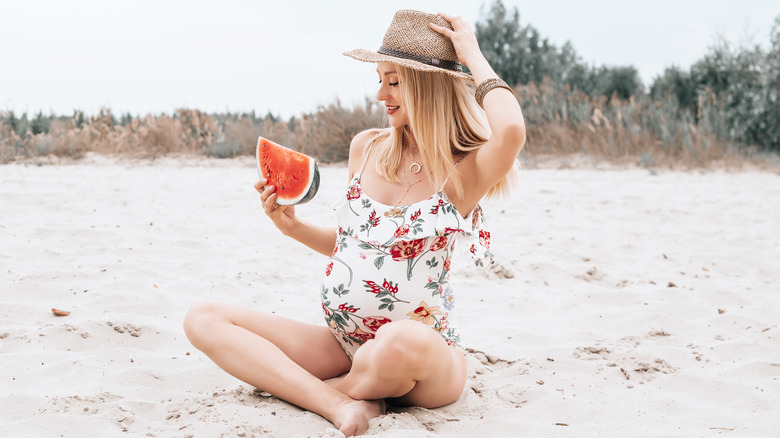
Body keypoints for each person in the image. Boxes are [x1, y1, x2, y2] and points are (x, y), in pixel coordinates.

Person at [183, 9, 525, 437]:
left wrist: (470, 54)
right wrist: (292, 227)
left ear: (429, 86)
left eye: (394, 81)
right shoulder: (366, 148)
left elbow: (510, 130)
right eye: (379, 79)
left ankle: (319, 390)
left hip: (423, 359)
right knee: (203, 318)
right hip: (344, 343)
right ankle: (337, 401)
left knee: (401, 341)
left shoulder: (463, 172)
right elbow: (355, 247)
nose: (380, 93)